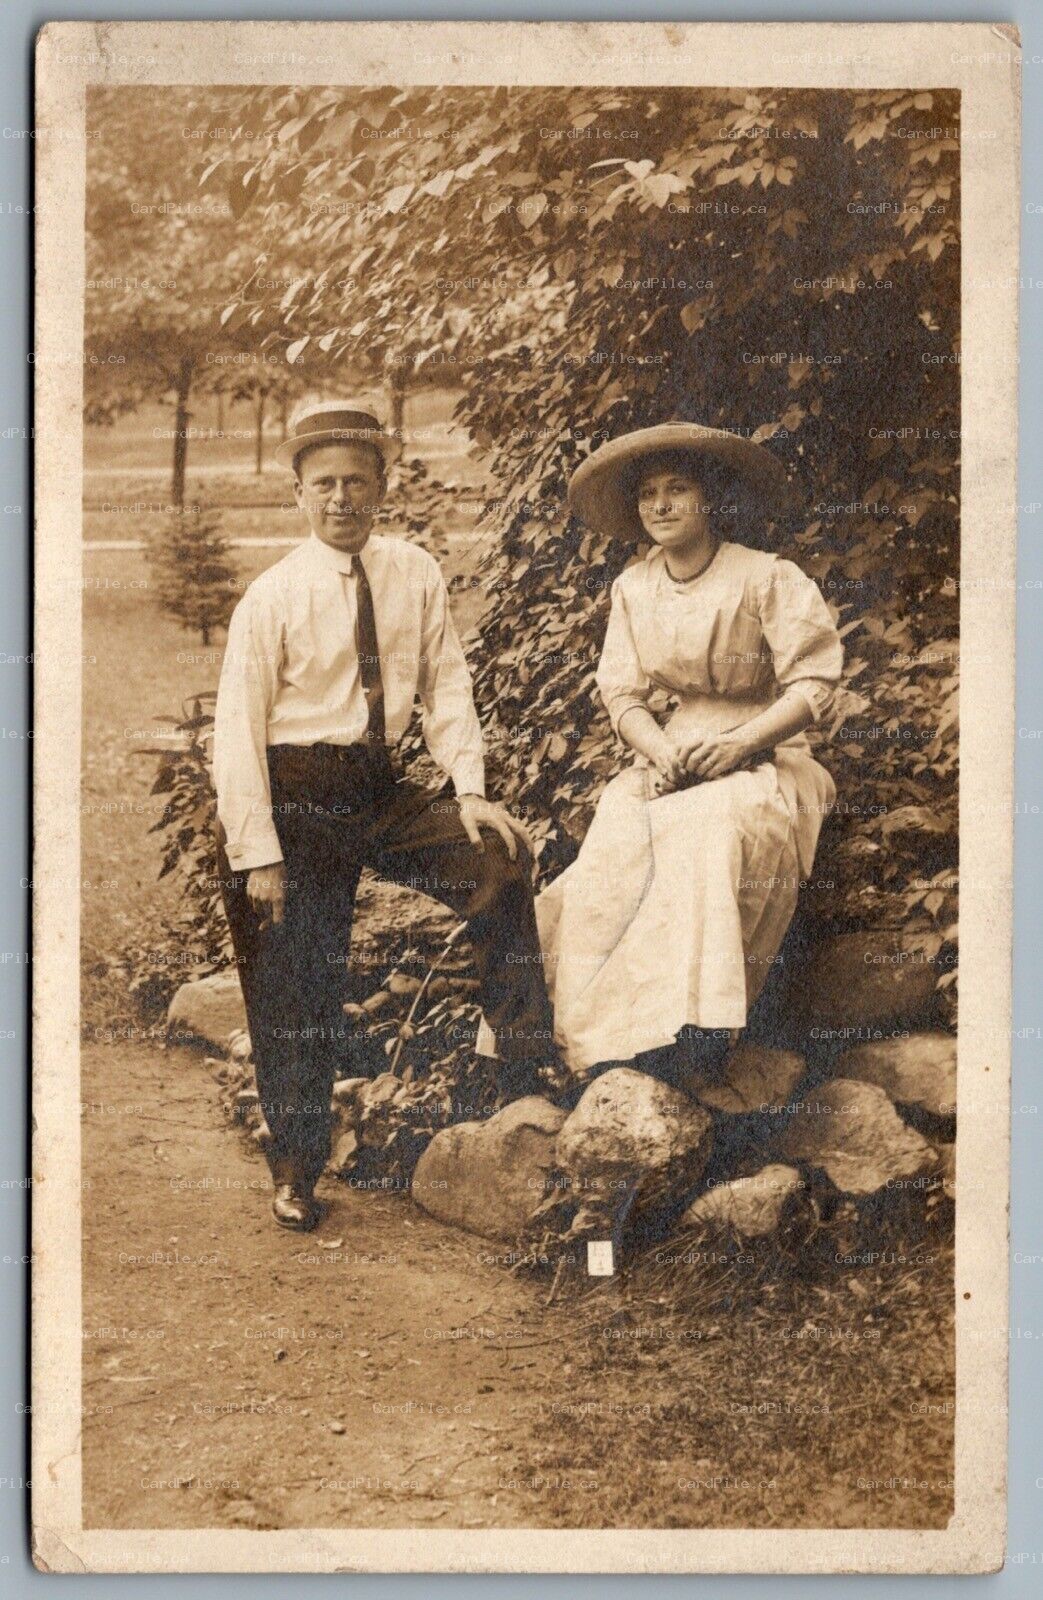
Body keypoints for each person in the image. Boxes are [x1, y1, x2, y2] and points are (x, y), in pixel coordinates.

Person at [212, 400, 555, 1231]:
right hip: (290, 795)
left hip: (378, 786)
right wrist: (259, 853)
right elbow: (236, 734)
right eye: (323, 483)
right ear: (298, 493)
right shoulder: (273, 595)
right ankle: (296, 1166)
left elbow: (446, 685)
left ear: (382, 486)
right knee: (296, 982)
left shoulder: (413, 571)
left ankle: (521, 1086)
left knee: (498, 866)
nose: (341, 499)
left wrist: (468, 789)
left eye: (356, 482)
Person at [532, 421, 844, 1084]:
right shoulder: (632, 588)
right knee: (617, 835)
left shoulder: (763, 578)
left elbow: (814, 687)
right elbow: (622, 694)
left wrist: (738, 744)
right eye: (648, 494)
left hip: (769, 750)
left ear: (710, 500)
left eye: (678, 489)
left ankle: (697, 1035)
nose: (662, 505)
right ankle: (604, 1037)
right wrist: (657, 749)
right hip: (673, 750)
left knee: (708, 832)